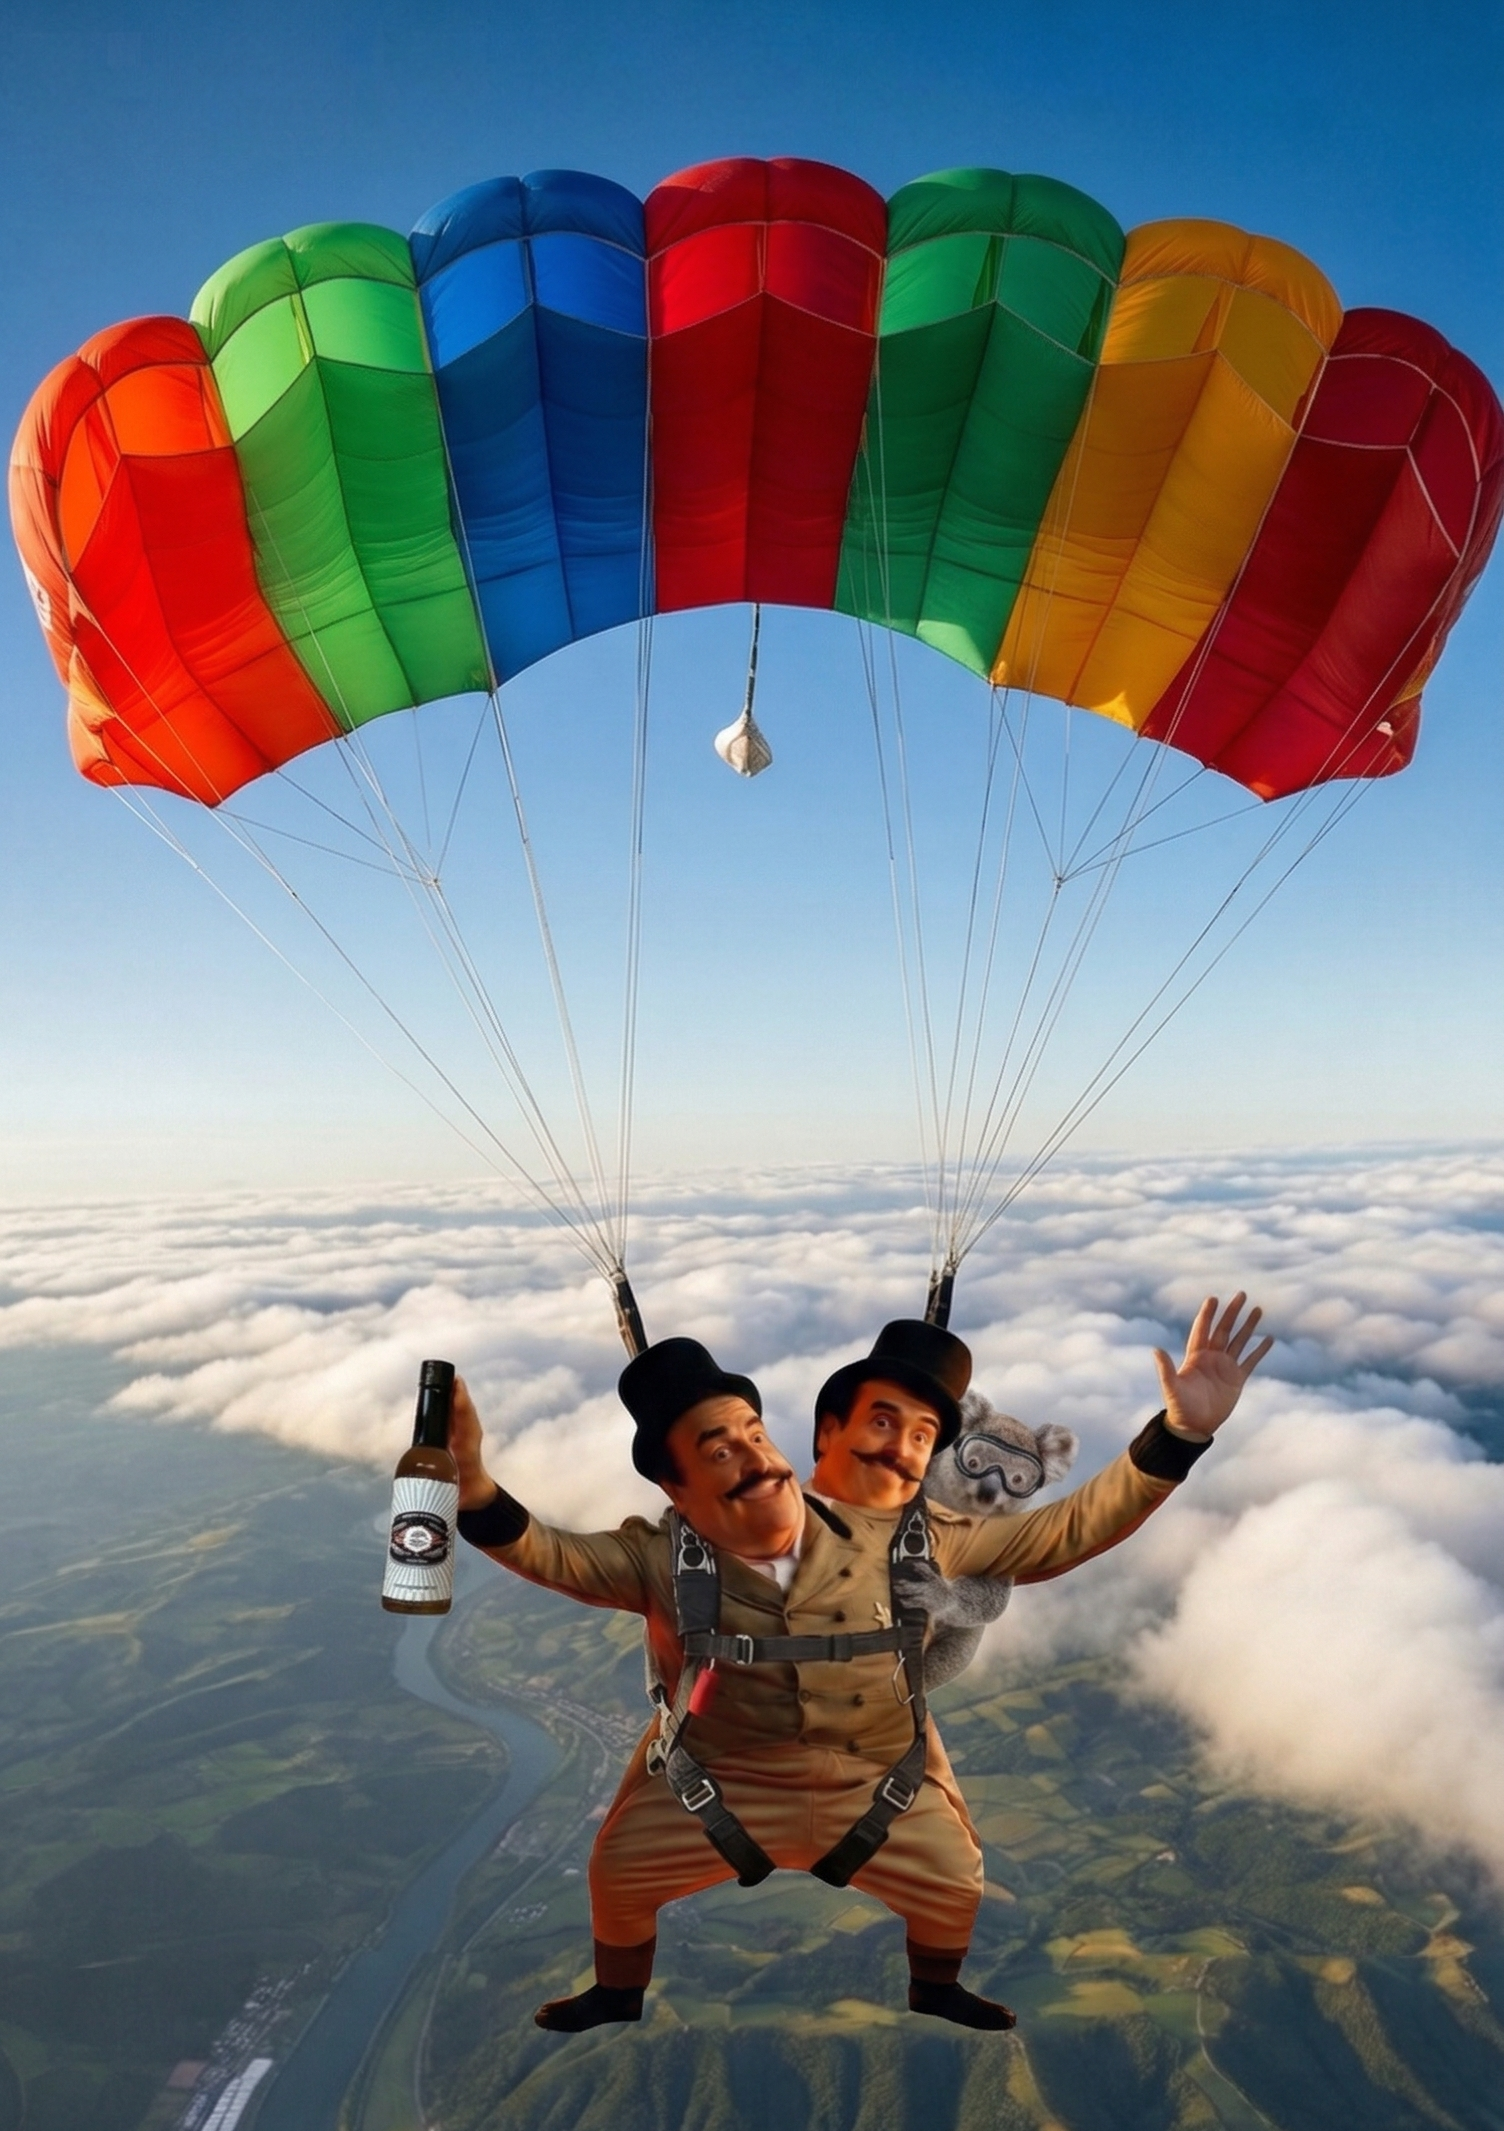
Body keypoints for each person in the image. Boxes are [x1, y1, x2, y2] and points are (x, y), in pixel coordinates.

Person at [449, 1295, 1270, 2033]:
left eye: (754, 1435)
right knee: (620, 1868)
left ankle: (935, 1984)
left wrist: (1180, 1434)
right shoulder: (659, 1555)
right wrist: (476, 1484)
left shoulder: (926, 1535)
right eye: (721, 1448)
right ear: (676, 1482)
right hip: (719, 1775)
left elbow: (1066, 1531)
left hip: (880, 1776)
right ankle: (618, 1991)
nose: (753, 1457)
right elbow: (545, 1551)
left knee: (954, 1875)